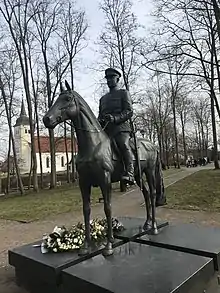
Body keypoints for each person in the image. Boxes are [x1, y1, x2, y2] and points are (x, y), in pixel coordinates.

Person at [98, 68, 135, 185]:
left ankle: (130, 173)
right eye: (107, 78)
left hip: (121, 129)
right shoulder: (103, 99)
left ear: (117, 79)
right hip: (107, 131)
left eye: (111, 78)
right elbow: (100, 116)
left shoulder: (124, 93)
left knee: (123, 145)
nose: (109, 80)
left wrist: (115, 118)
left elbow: (129, 111)